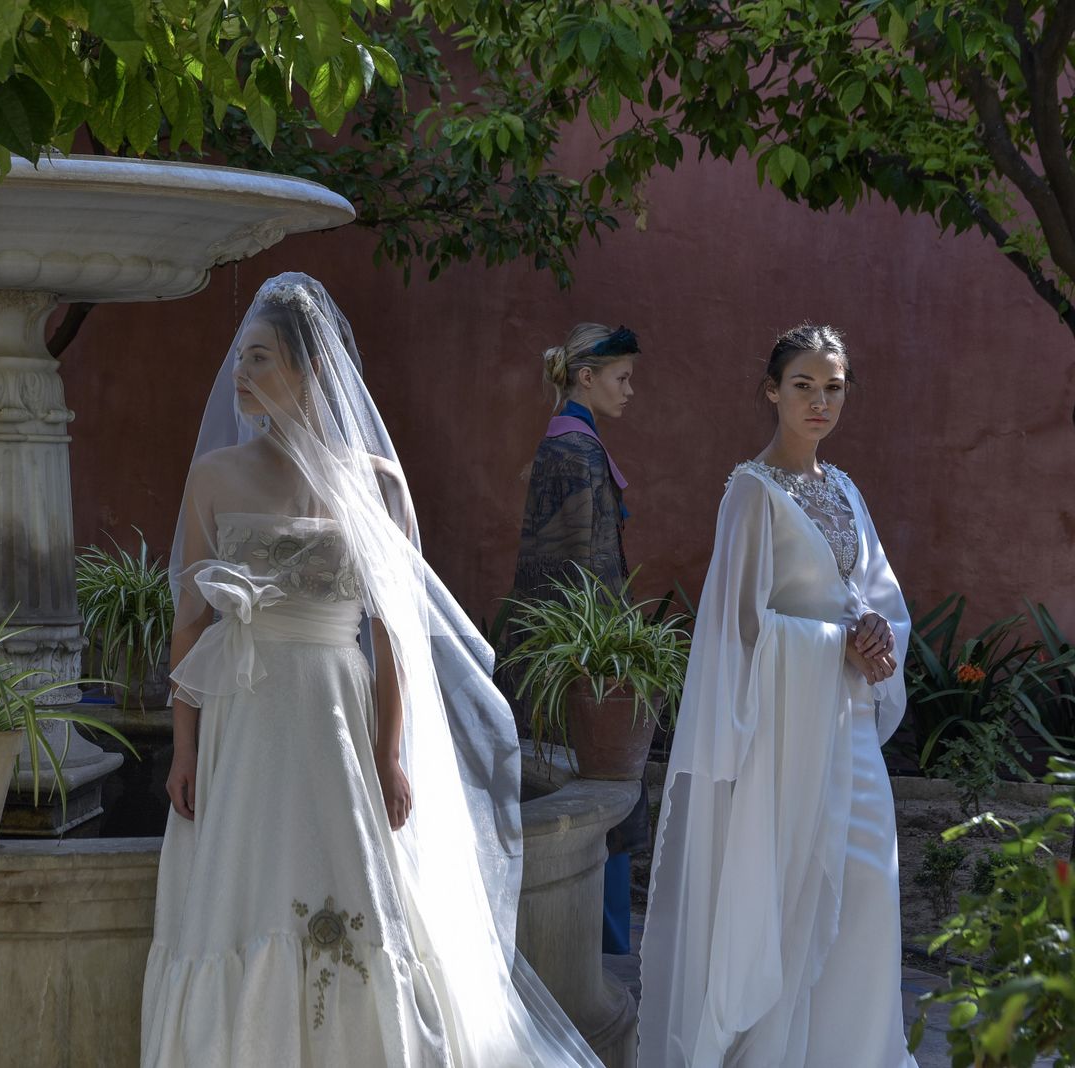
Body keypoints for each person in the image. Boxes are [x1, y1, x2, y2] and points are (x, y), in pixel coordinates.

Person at [140, 274, 601, 1066]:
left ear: (311, 368)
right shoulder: (214, 476)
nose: (241, 376)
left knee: (352, 884)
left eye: (260, 359)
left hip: (335, 715)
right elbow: (190, 623)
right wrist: (184, 746)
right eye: (241, 358)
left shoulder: (377, 482)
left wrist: (389, 752)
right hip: (243, 724)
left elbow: (393, 636)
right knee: (239, 898)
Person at [637, 325, 913, 1067]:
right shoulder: (751, 494)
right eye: (804, 386)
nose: (820, 402)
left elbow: (878, 595)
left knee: (865, 899)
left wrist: (879, 637)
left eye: (834, 387)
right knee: (793, 908)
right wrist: (834, 648)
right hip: (788, 742)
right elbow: (738, 627)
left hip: (850, 734)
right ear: (772, 391)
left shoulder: (845, 488)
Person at [508, 322, 647, 956]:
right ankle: (597, 941)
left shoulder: (573, 443)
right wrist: (604, 651)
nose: (630, 391)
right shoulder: (575, 450)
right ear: (585, 378)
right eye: (621, 378)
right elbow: (573, 569)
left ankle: (599, 936)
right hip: (580, 650)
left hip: (574, 643)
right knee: (595, 783)